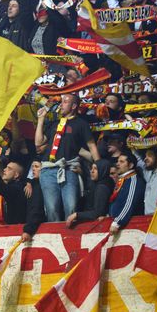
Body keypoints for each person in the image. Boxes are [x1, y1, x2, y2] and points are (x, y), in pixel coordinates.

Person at [36, 93, 100, 222]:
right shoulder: (54, 123)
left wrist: (99, 165)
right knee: (51, 208)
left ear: (74, 106)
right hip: (48, 170)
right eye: (61, 101)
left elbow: (92, 145)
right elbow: (38, 142)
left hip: (69, 169)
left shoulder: (81, 124)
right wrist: (41, 119)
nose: (61, 104)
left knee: (71, 206)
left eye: (65, 101)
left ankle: (70, 236)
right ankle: (56, 237)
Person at [0, 157, 45, 242]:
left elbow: (4, 188)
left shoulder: (20, 188)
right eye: (6, 167)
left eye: (9, 169)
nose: (4, 170)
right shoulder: (4, 190)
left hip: (18, 232)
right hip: (6, 231)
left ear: (16, 175)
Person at [66, 159, 114, 227]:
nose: (92, 171)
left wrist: (76, 215)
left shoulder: (102, 188)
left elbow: (97, 213)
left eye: (96, 169)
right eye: (91, 168)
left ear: (103, 170)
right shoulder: (97, 184)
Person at [109, 153, 146, 235]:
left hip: (129, 227)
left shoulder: (134, 181)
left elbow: (129, 203)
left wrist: (117, 222)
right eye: (118, 161)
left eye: (122, 162)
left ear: (130, 165)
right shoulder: (123, 180)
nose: (117, 164)